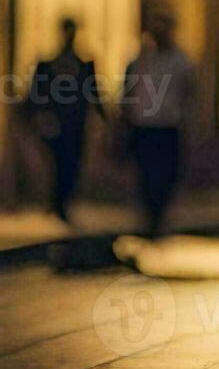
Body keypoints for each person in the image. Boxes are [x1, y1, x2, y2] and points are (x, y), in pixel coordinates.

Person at [122, 12, 195, 237]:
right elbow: (129, 91)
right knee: (145, 174)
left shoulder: (182, 62)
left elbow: (189, 94)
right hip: (143, 126)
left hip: (167, 127)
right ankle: (149, 218)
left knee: (166, 175)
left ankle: (158, 217)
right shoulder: (141, 61)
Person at [25, 18, 105, 222]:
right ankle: (58, 202)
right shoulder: (48, 65)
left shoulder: (83, 65)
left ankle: (61, 201)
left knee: (71, 164)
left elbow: (93, 92)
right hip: (55, 124)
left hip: (75, 124)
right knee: (59, 163)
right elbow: (36, 95)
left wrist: (105, 118)